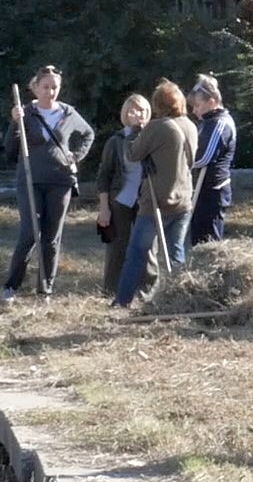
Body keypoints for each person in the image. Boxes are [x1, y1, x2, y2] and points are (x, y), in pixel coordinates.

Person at [3, 65, 96, 301]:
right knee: (29, 233)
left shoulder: (68, 113)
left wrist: (75, 155)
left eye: (55, 87)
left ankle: (45, 289)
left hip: (60, 180)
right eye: (46, 87)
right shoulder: (24, 113)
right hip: (30, 180)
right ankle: (11, 287)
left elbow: (88, 134)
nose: (50, 92)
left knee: (51, 238)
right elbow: (10, 150)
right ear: (35, 88)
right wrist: (15, 123)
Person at [112, 81, 198, 308]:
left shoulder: (157, 127)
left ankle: (122, 301)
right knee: (175, 253)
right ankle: (178, 299)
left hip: (157, 201)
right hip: (183, 199)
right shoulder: (190, 125)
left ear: (157, 105)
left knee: (137, 252)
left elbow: (132, 154)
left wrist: (134, 130)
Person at [93, 94, 151, 297]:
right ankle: (111, 291)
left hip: (145, 199)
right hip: (121, 199)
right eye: (132, 110)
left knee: (147, 246)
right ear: (125, 113)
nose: (138, 114)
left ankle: (147, 290)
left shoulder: (153, 137)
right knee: (118, 246)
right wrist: (104, 207)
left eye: (142, 110)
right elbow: (104, 176)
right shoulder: (115, 141)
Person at [186, 73, 238, 246]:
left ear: (212, 102)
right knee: (198, 238)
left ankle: (212, 273)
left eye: (198, 106)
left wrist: (182, 163)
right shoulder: (208, 122)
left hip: (213, 191)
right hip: (201, 190)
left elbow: (203, 157)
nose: (195, 111)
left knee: (210, 241)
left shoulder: (220, 124)